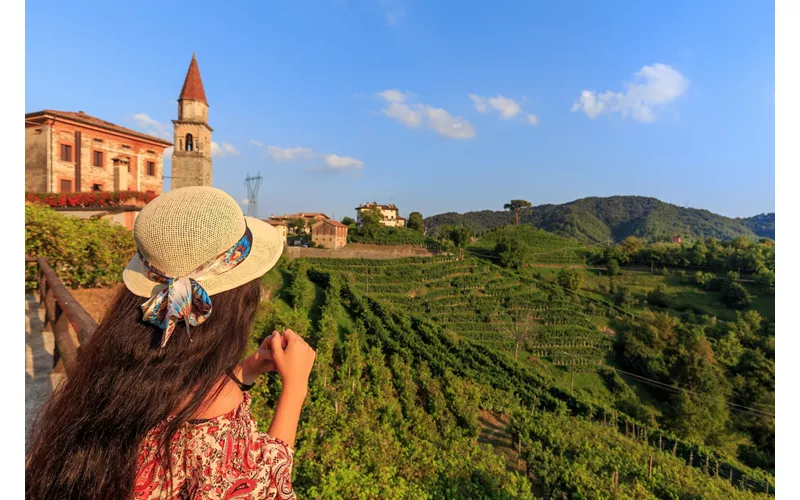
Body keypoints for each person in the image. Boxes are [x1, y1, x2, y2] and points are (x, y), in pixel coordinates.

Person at [25, 187, 316, 499]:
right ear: (239, 300)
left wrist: (243, 372)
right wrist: (296, 388)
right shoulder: (214, 410)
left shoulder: (115, 369)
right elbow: (263, 488)